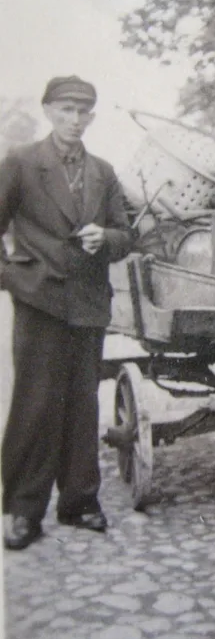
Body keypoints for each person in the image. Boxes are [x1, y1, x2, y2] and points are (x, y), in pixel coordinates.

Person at [0, 75, 133, 550]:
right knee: (35, 404)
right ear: (48, 111)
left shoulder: (104, 171)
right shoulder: (20, 162)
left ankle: (79, 502)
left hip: (88, 304)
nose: (74, 121)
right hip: (40, 302)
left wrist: (107, 239)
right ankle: (22, 509)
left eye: (83, 113)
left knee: (81, 404)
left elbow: (125, 233)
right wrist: (16, 276)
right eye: (65, 111)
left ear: (92, 117)